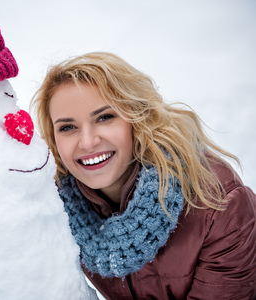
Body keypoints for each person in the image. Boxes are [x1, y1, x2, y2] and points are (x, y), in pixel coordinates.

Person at [31, 52, 256, 300]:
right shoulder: (57, 208)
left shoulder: (220, 206)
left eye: (105, 117)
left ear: (137, 118)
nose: (87, 142)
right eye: (67, 127)